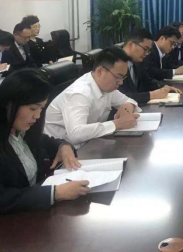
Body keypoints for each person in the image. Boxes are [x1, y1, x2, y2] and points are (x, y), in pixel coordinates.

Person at [0, 69, 89, 214]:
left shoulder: (22, 131)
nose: (37, 115)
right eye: (33, 108)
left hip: (35, 215)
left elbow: (49, 142)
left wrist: (63, 146)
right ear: (9, 103)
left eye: (41, 108)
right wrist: (55, 193)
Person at [45, 47, 141, 148]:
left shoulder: (105, 87)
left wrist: (127, 107)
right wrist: (116, 124)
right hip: (63, 151)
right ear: (100, 71)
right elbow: (75, 134)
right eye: (118, 77)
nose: (121, 82)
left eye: (123, 77)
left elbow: (129, 101)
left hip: (89, 145)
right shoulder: (80, 93)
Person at [119, 28, 181, 105]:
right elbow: (121, 97)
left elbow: (147, 80)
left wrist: (164, 87)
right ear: (131, 45)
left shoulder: (136, 61)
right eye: (145, 49)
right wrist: (152, 95)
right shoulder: (115, 63)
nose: (146, 54)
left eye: (148, 50)